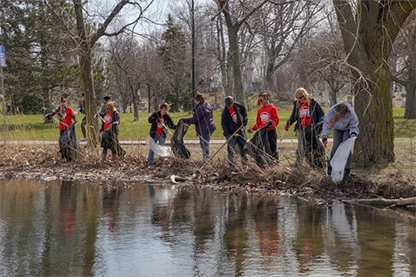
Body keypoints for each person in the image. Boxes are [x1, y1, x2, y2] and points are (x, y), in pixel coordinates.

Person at [284, 88, 325, 168]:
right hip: (301, 129)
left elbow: (321, 114)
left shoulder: (313, 103)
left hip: (312, 129)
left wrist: (319, 122)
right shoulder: (297, 105)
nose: (299, 100)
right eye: (297, 98)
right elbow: (294, 116)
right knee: (301, 147)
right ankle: (297, 166)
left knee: (314, 146)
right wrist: (288, 124)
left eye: (301, 97)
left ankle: (316, 164)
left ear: (305, 96)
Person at [322, 101, 359, 180]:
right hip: (337, 129)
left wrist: (353, 133)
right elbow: (326, 123)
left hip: (347, 129)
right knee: (336, 146)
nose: (341, 117)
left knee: (345, 148)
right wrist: (325, 135)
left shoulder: (351, 114)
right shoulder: (332, 111)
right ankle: (331, 167)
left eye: (343, 115)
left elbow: (354, 125)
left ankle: (347, 169)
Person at [183, 92, 216, 162]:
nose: (195, 102)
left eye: (195, 101)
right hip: (211, 126)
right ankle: (206, 158)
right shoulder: (207, 105)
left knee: (204, 144)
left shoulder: (200, 108)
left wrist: (186, 120)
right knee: (205, 143)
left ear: (198, 100)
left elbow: (195, 119)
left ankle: (206, 159)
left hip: (204, 128)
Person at [248, 92, 279, 161]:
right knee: (259, 148)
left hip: (271, 131)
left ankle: (275, 164)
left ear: (266, 99)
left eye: (261, 100)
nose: (260, 102)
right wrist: (252, 128)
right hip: (262, 132)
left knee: (272, 148)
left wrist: (270, 124)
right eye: (259, 101)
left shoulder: (272, 108)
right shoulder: (260, 110)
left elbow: (276, 121)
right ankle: (261, 163)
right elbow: (258, 123)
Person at [46, 95, 77, 160]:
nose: (63, 103)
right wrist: (49, 116)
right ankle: (63, 157)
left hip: (68, 128)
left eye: (64, 102)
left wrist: (74, 121)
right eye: (61, 102)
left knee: (69, 142)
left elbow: (74, 117)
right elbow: (52, 114)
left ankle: (71, 156)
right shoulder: (58, 110)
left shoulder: (69, 109)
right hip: (62, 128)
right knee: (62, 142)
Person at [221, 96, 248, 166]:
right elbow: (224, 125)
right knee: (231, 149)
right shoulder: (224, 113)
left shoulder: (238, 106)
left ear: (233, 103)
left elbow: (244, 113)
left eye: (230, 105)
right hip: (231, 133)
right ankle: (231, 164)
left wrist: (245, 119)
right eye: (227, 105)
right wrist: (227, 134)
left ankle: (245, 163)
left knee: (243, 146)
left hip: (239, 130)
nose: (228, 107)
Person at [147, 102, 177, 166]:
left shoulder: (166, 116)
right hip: (154, 133)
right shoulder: (156, 114)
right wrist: (156, 120)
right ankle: (150, 162)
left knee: (161, 148)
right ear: (161, 109)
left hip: (161, 134)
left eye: (166, 110)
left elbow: (171, 125)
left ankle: (161, 161)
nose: (165, 111)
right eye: (164, 110)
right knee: (152, 147)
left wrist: (177, 127)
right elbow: (149, 120)